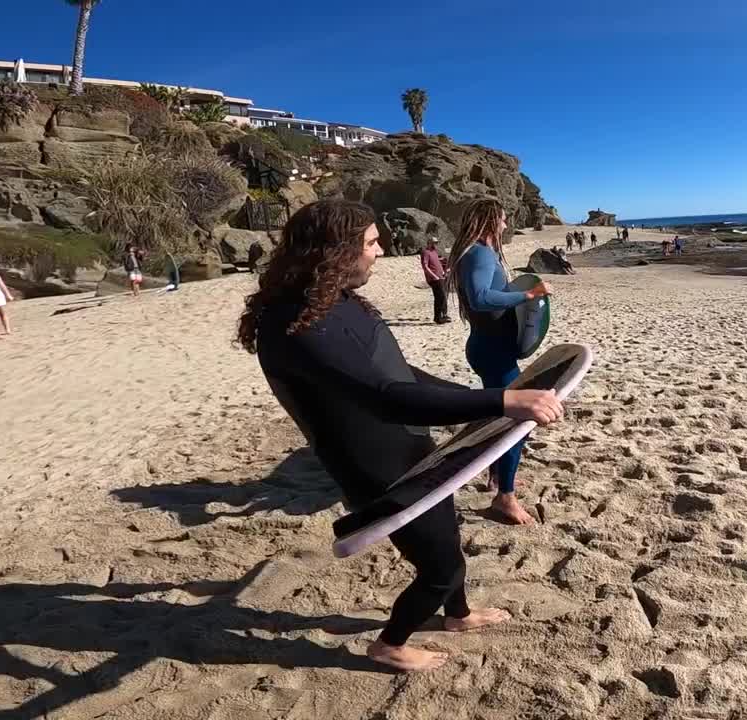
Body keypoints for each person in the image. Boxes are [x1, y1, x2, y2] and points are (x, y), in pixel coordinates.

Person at [236, 200, 564, 672]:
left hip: (407, 444)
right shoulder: (298, 326)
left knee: (446, 534)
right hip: (374, 465)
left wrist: (485, 399)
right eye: (370, 242)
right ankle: (389, 644)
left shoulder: (334, 301)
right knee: (440, 567)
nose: (380, 251)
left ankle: (458, 615)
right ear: (335, 250)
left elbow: (401, 374)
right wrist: (500, 402)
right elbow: (386, 396)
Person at [446, 197, 552, 525]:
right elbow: (480, 298)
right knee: (516, 424)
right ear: (491, 220)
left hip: (491, 347)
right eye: (503, 220)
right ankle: (505, 497)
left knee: (500, 417)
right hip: (492, 352)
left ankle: (496, 474)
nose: (506, 225)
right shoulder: (479, 252)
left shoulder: (478, 252)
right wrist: (529, 295)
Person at [420, 237, 451, 324]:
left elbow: (437, 262)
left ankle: (443, 315)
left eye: (437, 243)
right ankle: (437, 317)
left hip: (440, 277)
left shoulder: (434, 252)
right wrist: (434, 276)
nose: (436, 244)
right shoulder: (425, 252)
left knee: (443, 296)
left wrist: (444, 271)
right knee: (439, 297)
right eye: (434, 243)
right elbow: (425, 266)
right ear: (429, 243)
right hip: (434, 279)